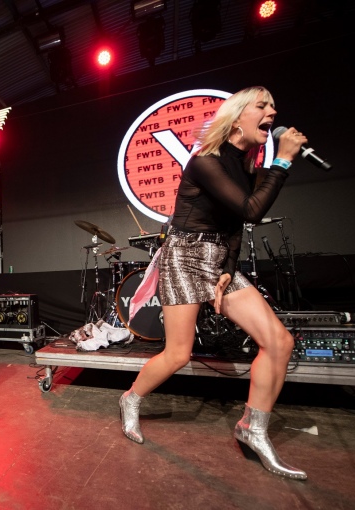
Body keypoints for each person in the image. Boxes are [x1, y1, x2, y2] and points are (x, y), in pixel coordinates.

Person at [119, 86, 309, 480]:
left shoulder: (246, 164)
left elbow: (236, 225)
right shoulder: (206, 160)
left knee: (280, 341)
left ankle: (252, 428)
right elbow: (251, 210)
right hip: (184, 256)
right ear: (238, 115)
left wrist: (228, 268)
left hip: (217, 258)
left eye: (274, 105)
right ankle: (131, 399)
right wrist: (285, 162)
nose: (273, 112)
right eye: (263, 106)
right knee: (178, 354)